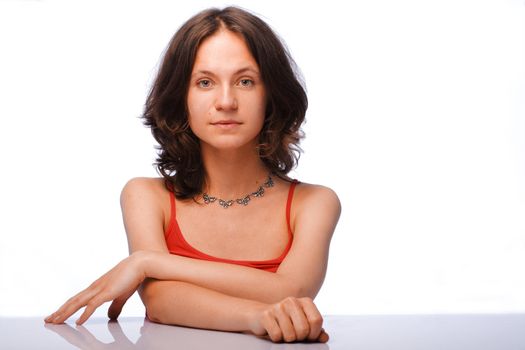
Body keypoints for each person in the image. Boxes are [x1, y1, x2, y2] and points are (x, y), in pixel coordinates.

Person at [44, 6, 341, 343]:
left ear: (271, 94)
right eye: (204, 82)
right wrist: (255, 316)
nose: (226, 101)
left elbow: (291, 290)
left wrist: (147, 262)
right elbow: (161, 301)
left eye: (245, 81)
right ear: (180, 96)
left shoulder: (315, 203)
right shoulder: (145, 196)